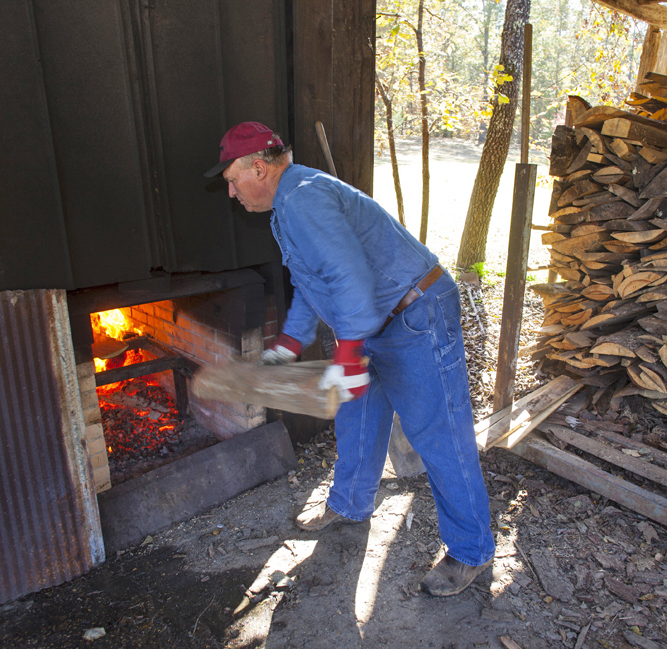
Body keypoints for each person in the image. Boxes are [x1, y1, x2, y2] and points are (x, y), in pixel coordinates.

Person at [205, 121, 495, 596]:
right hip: (375, 321)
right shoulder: (287, 206)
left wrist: (347, 353)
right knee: (357, 416)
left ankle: (472, 551)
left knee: (438, 433)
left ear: (259, 167)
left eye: (234, 182)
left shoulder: (303, 198)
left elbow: (349, 277)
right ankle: (350, 504)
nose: (233, 194)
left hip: (414, 313)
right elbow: (311, 285)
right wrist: (288, 348)